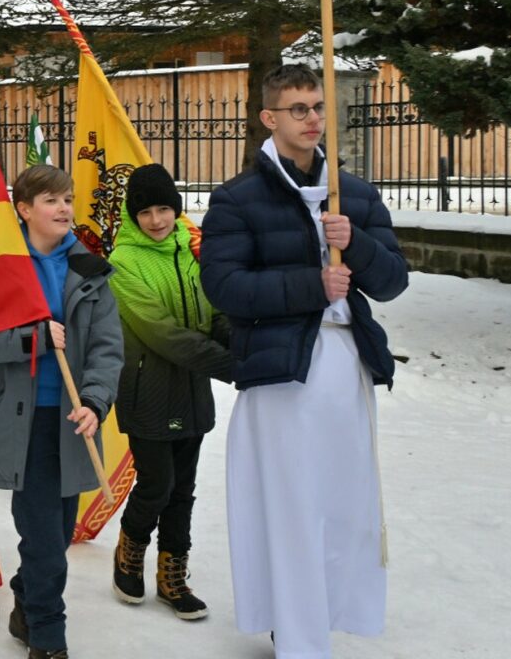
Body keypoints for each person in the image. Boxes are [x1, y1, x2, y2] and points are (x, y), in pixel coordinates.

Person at [199, 64, 409, 659]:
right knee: (291, 506)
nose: (313, 118)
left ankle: (333, 610)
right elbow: (226, 287)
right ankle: (294, 630)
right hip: (281, 371)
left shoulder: (355, 193)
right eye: (299, 108)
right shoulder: (238, 198)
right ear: (269, 117)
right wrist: (313, 285)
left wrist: (358, 241)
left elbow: (392, 281)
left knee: (344, 504)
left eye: (318, 107)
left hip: (346, 370)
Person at [0, 164, 123, 659]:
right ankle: (49, 637)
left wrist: (95, 402)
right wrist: (29, 340)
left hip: (72, 420)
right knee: (44, 538)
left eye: (68, 199)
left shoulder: (90, 269)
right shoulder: (2, 265)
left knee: (54, 532)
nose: (64, 210)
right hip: (22, 422)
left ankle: (25, 599)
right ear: (24, 209)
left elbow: (106, 347)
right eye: (52, 201)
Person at [108, 163, 232, 619]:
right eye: (146, 211)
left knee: (184, 489)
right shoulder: (122, 263)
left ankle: (172, 576)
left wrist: (242, 340)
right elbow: (164, 334)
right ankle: (130, 550)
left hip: (192, 390)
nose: (157, 220)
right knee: (156, 485)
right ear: (132, 215)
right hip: (147, 390)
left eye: (165, 209)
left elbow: (214, 310)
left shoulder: (190, 250)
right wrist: (234, 365)